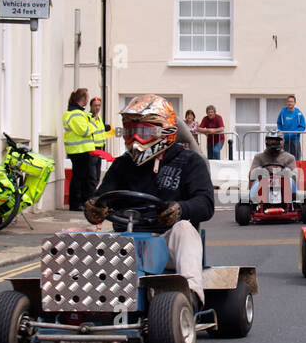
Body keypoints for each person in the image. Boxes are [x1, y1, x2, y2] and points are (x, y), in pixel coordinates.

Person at [83, 95, 214, 307]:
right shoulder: (122, 165)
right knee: (76, 236)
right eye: (129, 131)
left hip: (166, 243)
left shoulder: (190, 162)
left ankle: (190, 296)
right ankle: (76, 302)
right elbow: (101, 196)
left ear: (166, 131)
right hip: (125, 244)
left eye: (143, 132)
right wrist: (94, 208)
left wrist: (180, 209)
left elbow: (206, 204)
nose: (135, 138)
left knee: (184, 229)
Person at [62, 88, 96, 212]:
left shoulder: (77, 113)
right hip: (79, 150)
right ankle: (76, 204)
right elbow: (85, 130)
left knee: (82, 177)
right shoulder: (75, 114)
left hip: (80, 150)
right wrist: (93, 125)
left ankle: (80, 202)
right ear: (84, 99)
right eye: (87, 97)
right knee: (79, 178)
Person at [248, 132, 297, 203]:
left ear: (281, 142)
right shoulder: (259, 157)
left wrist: (283, 173)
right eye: (270, 141)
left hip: (283, 184)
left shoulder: (289, 157)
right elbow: (252, 175)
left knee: (288, 173)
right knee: (257, 174)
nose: (273, 143)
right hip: (264, 184)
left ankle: (292, 203)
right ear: (266, 141)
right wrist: (262, 172)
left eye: (276, 141)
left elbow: (294, 176)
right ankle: (254, 202)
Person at [88, 96, 113, 185]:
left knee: (97, 176)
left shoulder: (98, 118)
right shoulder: (89, 118)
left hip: (99, 149)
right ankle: (91, 196)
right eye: (95, 105)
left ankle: (94, 194)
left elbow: (99, 130)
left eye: (99, 105)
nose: (97, 107)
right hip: (92, 149)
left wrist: (107, 127)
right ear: (91, 106)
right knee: (92, 177)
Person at [276, 95, 306, 160]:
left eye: (291, 101)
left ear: (294, 103)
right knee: (284, 159)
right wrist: (282, 133)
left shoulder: (298, 113)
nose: (290, 103)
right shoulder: (283, 112)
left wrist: (293, 133)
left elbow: (302, 126)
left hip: (295, 141)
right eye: (289, 101)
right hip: (284, 141)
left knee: (296, 160)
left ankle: (295, 170)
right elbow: (279, 123)